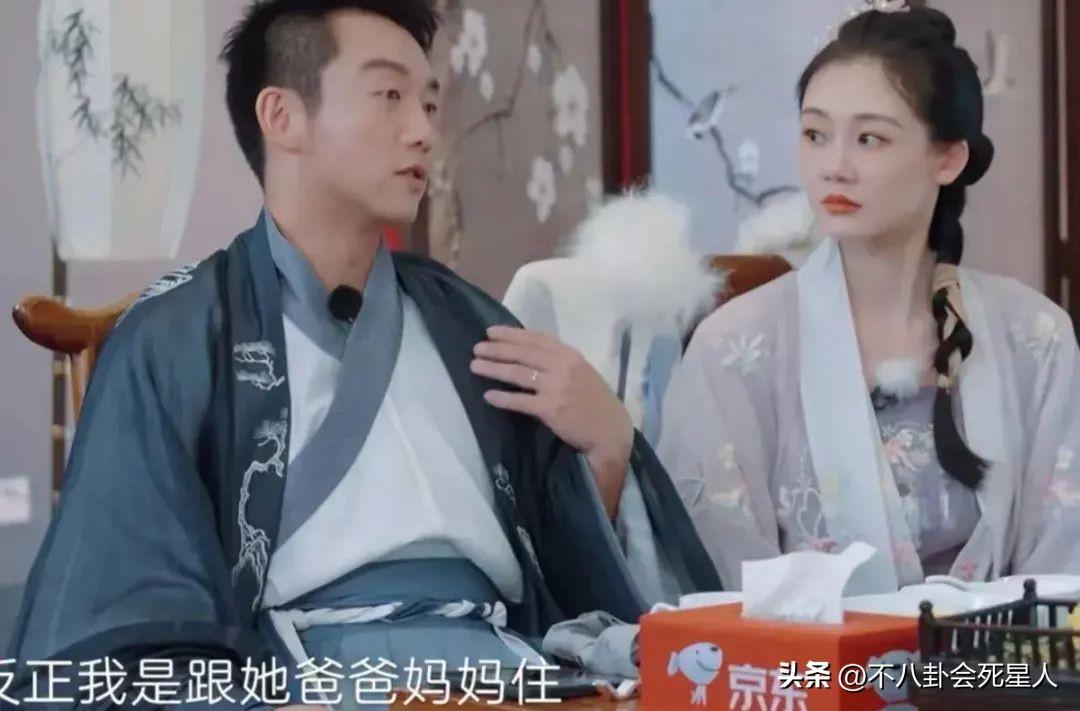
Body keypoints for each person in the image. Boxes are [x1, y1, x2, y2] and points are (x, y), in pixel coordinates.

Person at [8, 1, 717, 706]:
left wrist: (608, 446)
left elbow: (566, 585)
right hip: (304, 683)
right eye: (388, 97)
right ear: (282, 116)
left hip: (506, 672)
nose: (423, 131)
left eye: (428, 104)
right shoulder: (178, 335)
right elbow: (125, 613)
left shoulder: (467, 323)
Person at [658, 7, 1080, 595]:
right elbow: (715, 584)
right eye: (815, 134)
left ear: (948, 158)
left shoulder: (1033, 336)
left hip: (1003, 655)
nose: (834, 167)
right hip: (801, 656)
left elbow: (1065, 568)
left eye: (869, 139)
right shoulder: (734, 348)